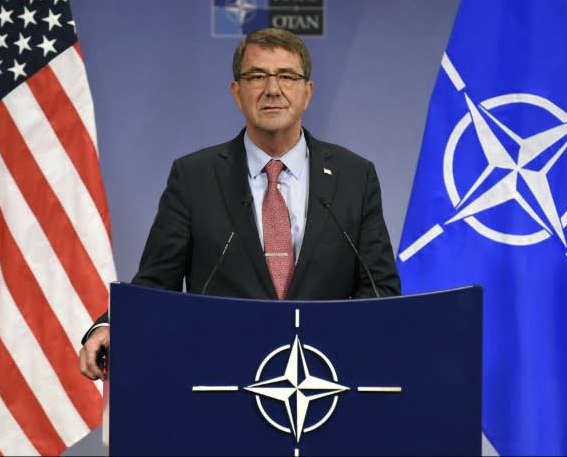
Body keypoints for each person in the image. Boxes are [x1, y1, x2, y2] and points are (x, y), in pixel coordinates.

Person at [79, 28, 400, 381]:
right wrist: (112, 324)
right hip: (222, 380)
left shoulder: (354, 176)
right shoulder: (194, 177)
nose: (272, 90)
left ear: (307, 92)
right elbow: (156, 282)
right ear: (237, 92)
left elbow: (378, 288)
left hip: (326, 382)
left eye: (287, 77)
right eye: (257, 76)